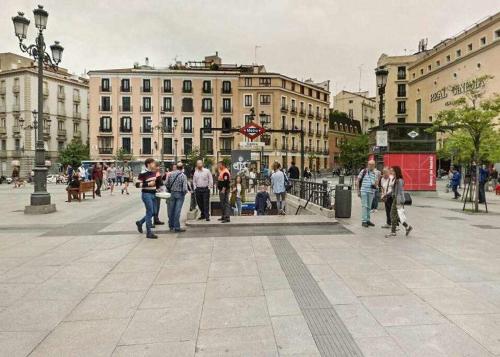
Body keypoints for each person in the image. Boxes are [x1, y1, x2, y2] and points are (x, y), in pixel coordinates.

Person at [135, 158, 160, 239]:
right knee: (150, 212)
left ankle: (140, 222)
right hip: (146, 194)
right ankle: (149, 233)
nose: (154, 164)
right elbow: (137, 185)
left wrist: (157, 188)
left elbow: (155, 183)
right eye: (153, 163)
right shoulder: (143, 173)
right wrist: (148, 184)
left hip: (153, 194)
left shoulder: (153, 172)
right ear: (148, 164)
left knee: (154, 212)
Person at [386, 166, 413, 238]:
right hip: (395, 198)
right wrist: (387, 195)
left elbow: (400, 192)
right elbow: (393, 191)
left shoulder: (399, 180)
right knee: (397, 216)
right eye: (391, 170)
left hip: (397, 200)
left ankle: (393, 232)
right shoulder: (395, 179)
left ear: (396, 171)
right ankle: (407, 227)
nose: (391, 172)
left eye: (392, 171)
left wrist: (398, 202)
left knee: (392, 214)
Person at [166, 162, 188, 232]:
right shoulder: (183, 175)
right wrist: (184, 194)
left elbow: (166, 184)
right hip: (180, 194)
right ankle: (177, 227)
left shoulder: (170, 174)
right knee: (177, 211)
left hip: (172, 193)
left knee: (171, 210)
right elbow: (185, 188)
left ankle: (171, 226)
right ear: (182, 167)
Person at [357, 160, 378, 227]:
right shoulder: (363, 171)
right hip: (364, 191)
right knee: (364, 206)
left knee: (369, 207)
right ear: (367, 164)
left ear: (374, 165)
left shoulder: (375, 173)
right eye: (369, 164)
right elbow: (358, 180)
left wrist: (375, 184)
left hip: (371, 191)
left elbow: (376, 183)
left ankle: (368, 220)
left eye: (372, 165)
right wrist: (358, 191)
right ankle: (364, 221)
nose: (371, 166)